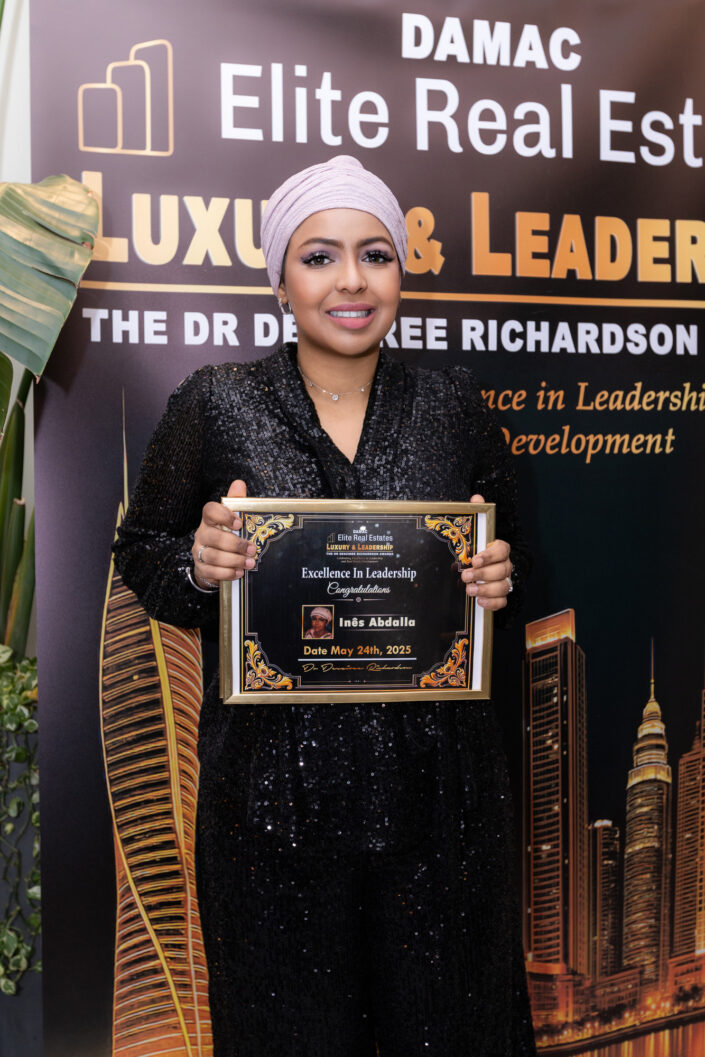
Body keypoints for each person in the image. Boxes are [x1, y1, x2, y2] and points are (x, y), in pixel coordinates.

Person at [113, 155, 536, 1057]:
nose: (351, 280)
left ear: (401, 275)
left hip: (441, 803)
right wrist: (198, 564)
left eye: (374, 255)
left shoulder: (453, 405)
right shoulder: (215, 402)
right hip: (270, 808)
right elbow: (142, 552)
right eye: (319, 256)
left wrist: (498, 576)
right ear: (279, 279)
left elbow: (510, 556)